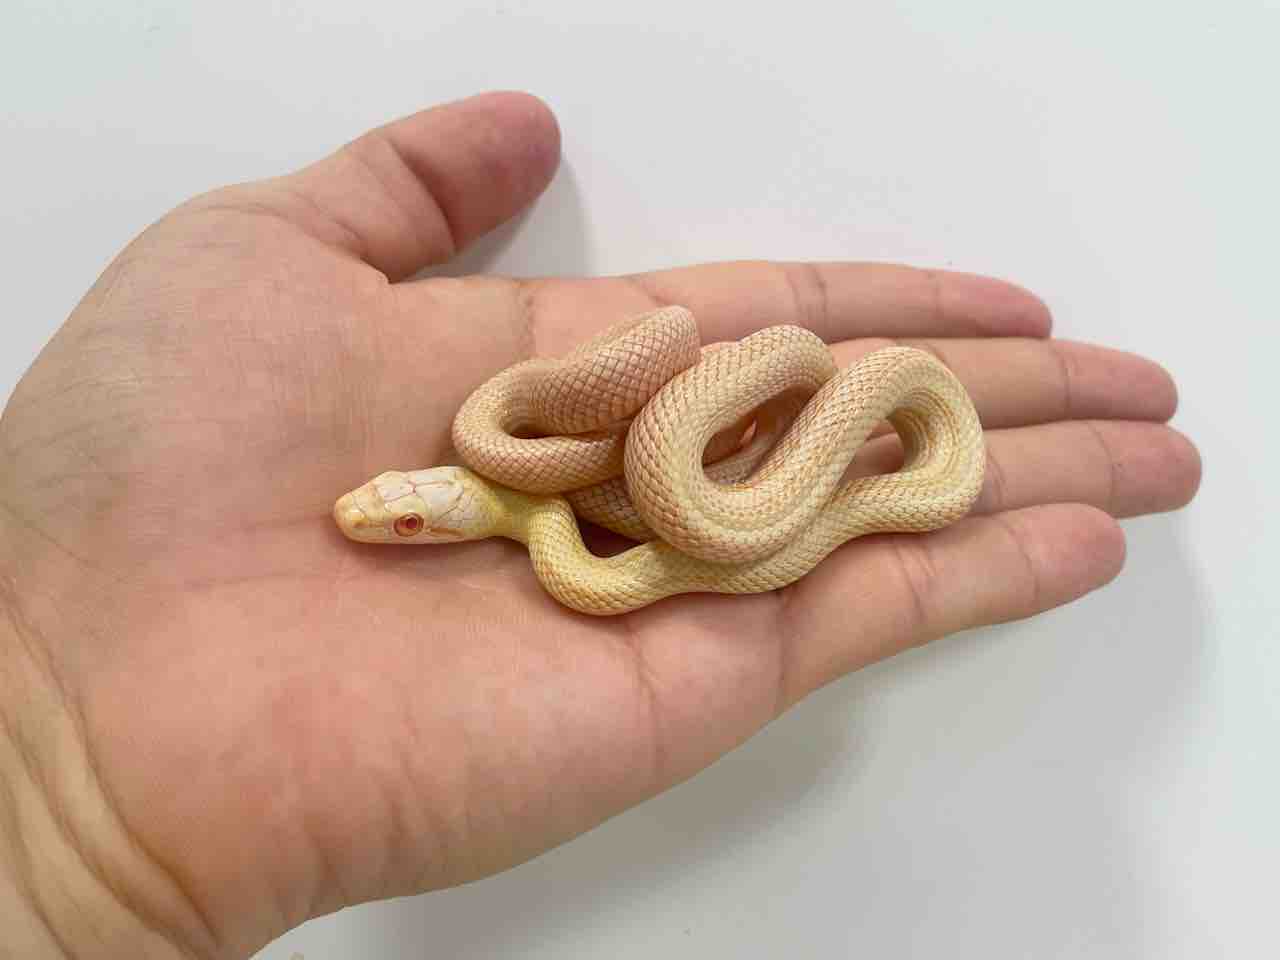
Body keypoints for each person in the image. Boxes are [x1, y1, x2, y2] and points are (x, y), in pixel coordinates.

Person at [0, 91, 1200, 957]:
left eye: (402, 518)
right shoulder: (536, 482)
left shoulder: (563, 474)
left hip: (787, 419)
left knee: (766, 417)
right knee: (732, 461)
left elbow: (693, 404)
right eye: (405, 521)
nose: (384, 519)